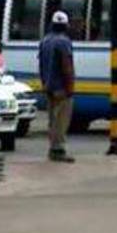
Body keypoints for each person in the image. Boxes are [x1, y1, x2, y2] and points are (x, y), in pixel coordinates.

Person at [38, 11, 76, 163]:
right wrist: (70, 88)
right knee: (61, 120)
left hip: (49, 86)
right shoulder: (64, 42)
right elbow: (67, 66)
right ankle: (58, 150)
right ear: (66, 25)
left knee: (52, 120)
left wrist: (44, 83)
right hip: (61, 88)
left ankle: (52, 149)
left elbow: (40, 65)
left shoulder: (45, 41)